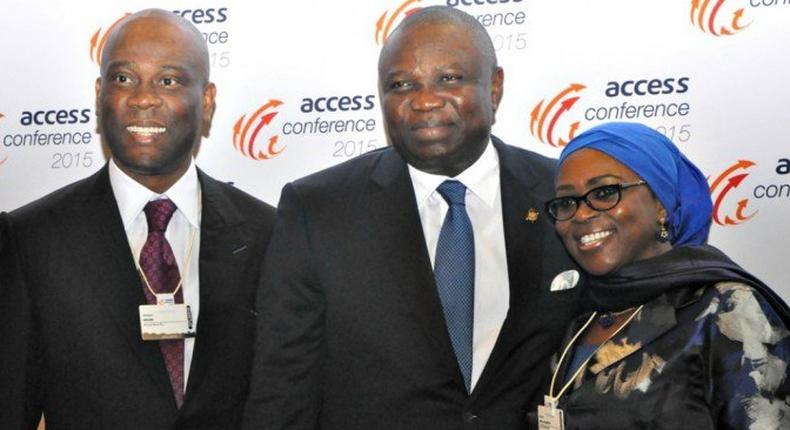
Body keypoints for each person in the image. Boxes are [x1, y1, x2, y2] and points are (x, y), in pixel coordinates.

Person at [242, 6, 581, 430]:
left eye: (449, 79)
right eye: (401, 85)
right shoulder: (318, 209)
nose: (423, 101)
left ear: (494, 88)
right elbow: (283, 387)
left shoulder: (565, 194)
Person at [0, 9, 276, 429]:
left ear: (206, 100)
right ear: (99, 94)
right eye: (124, 78)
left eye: (168, 80)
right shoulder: (30, 240)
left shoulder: (268, 234)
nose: (143, 98)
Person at [533, 121, 790, 429]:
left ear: (660, 205)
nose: (582, 213)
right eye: (567, 202)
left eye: (604, 192)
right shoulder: (579, 312)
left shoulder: (725, 307)